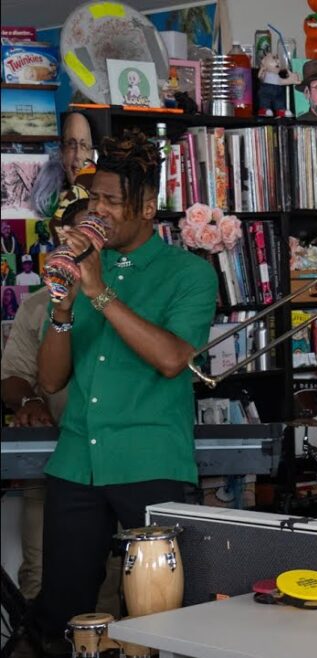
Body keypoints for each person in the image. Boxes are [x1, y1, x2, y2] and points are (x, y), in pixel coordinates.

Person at [33, 130, 218, 647]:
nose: (98, 210)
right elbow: (50, 380)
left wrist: (98, 292)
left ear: (147, 207)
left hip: (150, 460)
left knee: (160, 617)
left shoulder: (189, 274)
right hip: (77, 461)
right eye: (94, 198)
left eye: (112, 201)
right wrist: (63, 305)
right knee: (62, 613)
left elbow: (172, 359)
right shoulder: (83, 267)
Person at [1, 201, 83, 603]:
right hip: (51, 460)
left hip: (117, 460)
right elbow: (11, 377)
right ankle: (36, 634)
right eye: (66, 237)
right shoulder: (36, 306)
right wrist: (30, 399)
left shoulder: (128, 302)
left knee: (113, 575)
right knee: (40, 573)